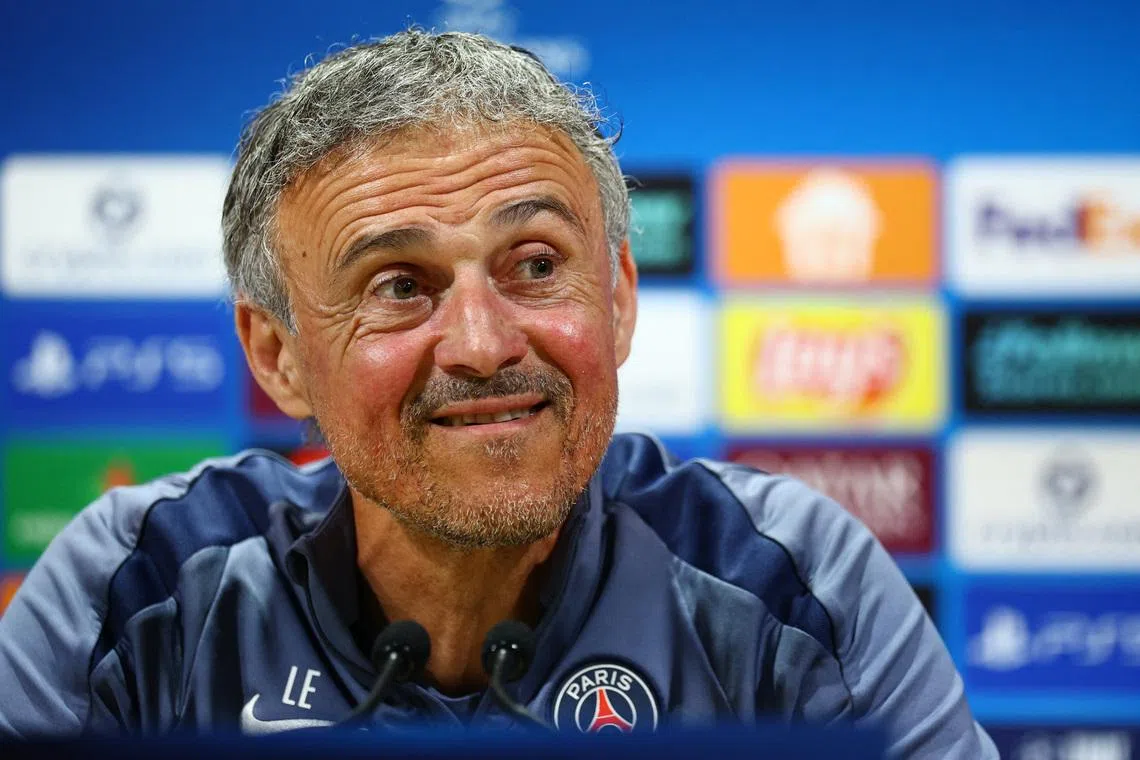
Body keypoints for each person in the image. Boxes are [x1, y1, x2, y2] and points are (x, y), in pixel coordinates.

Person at [0, 29, 996, 756]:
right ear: (277, 353)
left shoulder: (785, 580)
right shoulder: (138, 587)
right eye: (399, 285)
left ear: (618, 299)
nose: (482, 344)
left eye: (535, 265)